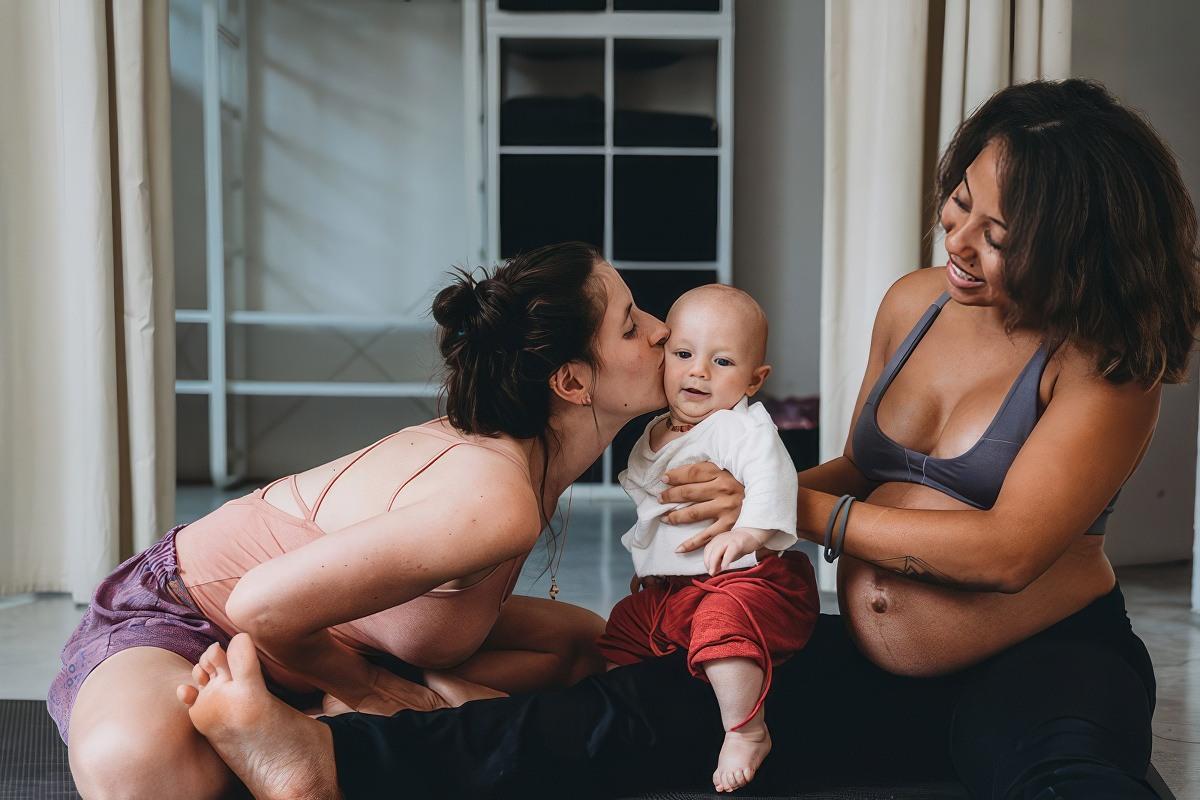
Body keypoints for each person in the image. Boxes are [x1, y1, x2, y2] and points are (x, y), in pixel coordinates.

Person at [179, 79, 1199, 800]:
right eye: (959, 199)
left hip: (1040, 657)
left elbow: (1011, 549)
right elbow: (867, 470)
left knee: (1063, 778)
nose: (957, 237)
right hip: (876, 664)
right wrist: (745, 484)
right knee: (635, 711)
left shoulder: (1106, 366)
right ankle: (331, 763)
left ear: (1076, 242)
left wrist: (785, 504)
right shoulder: (918, 303)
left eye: (999, 233)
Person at [47, 241, 673, 798]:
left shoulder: (522, 459)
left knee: (590, 649)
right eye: (631, 324)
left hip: (317, 640)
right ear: (570, 381)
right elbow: (258, 604)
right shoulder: (495, 496)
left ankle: (308, 718)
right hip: (189, 619)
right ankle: (319, 720)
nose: (663, 331)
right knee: (142, 773)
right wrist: (378, 692)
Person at [596, 284, 818, 793]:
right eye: (684, 354)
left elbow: (771, 474)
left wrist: (750, 531)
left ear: (755, 380)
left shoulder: (736, 428)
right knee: (623, 628)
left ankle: (745, 730)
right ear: (664, 360)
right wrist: (649, 562)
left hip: (742, 581)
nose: (699, 371)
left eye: (722, 362)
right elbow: (656, 511)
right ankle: (633, 706)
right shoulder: (654, 431)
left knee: (723, 631)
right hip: (673, 589)